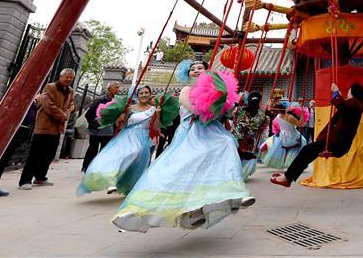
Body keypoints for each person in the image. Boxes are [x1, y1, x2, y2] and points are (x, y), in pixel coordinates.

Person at [112, 65, 255, 232]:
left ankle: (234, 195)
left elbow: (224, 111)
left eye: (200, 67)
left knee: (227, 145)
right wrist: (208, 110)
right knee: (178, 169)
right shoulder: (186, 89)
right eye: (192, 68)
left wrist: (223, 104)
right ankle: (139, 209)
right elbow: (190, 107)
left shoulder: (216, 89)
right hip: (190, 132)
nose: (196, 70)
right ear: (188, 73)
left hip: (212, 130)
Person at [269, 82, 363, 187]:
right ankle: (288, 177)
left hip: (336, 142)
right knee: (308, 152)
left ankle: (287, 178)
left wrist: (335, 92)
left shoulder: (354, 103)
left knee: (306, 151)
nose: (347, 93)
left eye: (349, 91)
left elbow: (342, 105)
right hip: (338, 142)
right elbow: (343, 108)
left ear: (353, 92)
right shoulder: (357, 105)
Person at [78, 85, 160, 196]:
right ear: (137, 95)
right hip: (125, 136)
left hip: (142, 137)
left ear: (150, 95)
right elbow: (123, 124)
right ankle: (111, 180)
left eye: (146, 92)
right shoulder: (130, 108)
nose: (144, 95)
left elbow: (155, 127)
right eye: (141, 93)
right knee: (117, 156)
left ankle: (127, 185)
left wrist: (158, 115)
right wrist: (119, 119)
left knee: (134, 155)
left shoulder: (153, 109)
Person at [19, 68, 76, 189]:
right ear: (61, 76)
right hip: (44, 125)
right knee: (35, 154)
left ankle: (40, 177)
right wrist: (64, 115)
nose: (69, 79)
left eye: (71, 77)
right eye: (67, 77)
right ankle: (25, 180)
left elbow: (71, 104)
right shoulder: (50, 87)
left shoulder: (70, 90)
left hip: (57, 128)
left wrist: (70, 110)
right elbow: (48, 105)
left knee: (49, 155)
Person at [81, 82, 121, 172]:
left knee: (104, 151)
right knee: (92, 150)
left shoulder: (117, 102)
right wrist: (95, 124)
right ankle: (86, 167)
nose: (118, 89)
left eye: (118, 88)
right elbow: (89, 114)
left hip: (109, 131)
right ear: (109, 88)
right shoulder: (99, 100)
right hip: (96, 130)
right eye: (116, 87)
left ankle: (99, 168)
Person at [231, 91, 268, 180]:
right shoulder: (263, 116)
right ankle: (241, 175)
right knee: (247, 158)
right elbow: (262, 130)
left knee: (236, 157)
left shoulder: (238, 110)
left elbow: (232, 120)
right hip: (250, 142)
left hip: (237, 139)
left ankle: (234, 175)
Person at [263, 101, 306, 169]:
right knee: (303, 141)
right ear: (286, 108)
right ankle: (295, 162)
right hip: (292, 137)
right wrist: (302, 114)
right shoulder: (289, 117)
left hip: (283, 136)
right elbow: (300, 124)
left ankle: (289, 160)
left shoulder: (278, 116)